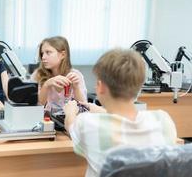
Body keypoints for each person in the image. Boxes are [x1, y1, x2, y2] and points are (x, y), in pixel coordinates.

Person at [64, 48, 177, 177]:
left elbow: (70, 127)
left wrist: (70, 112)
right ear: (139, 86)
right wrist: (103, 111)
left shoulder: (87, 123)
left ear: (100, 87)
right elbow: (125, 121)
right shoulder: (163, 120)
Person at [32, 36, 87, 114]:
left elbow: (84, 109)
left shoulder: (76, 75)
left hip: (68, 121)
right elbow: (37, 106)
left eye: (48, 52)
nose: (43, 57)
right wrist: (47, 85)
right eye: (42, 53)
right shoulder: (37, 75)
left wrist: (76, 88)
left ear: (63, 55)